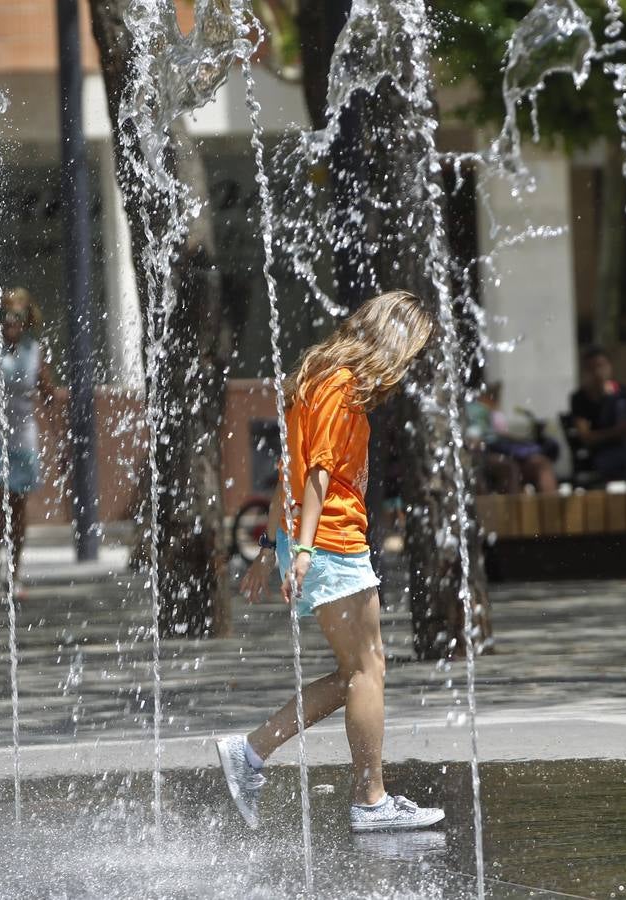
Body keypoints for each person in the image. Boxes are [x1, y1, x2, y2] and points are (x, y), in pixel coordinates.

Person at [221, 290, 445, 834]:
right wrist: (298, 551)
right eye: (410, 352)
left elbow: (288, 475)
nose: (408, 366)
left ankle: (249, 753)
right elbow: (318, 473)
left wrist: (275, 548)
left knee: (355, 673)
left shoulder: (317, 377)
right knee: (371, 669)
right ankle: (371, 801)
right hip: (334, 542)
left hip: (316, 541)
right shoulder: (343, 386)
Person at [0, 287, 57, 596]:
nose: (12, 322)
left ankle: (13, 572)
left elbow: (49, 397)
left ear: (27, 320)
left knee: (18, 507)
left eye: (18, 316)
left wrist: (60, 439)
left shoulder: (34, 351)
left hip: (23, 438)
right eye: (7, 315)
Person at [568, 346, 626, 482]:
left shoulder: (622, 391)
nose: (598, 372)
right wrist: (616, 432)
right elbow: (586, 437)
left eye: (601, 366)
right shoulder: (580, 399)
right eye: (592, 368)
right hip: (603, 454)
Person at [466, 382, 559, 494]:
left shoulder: (491, 412)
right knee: (510, 468)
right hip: (490, 453)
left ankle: (551, 506)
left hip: (506, 451)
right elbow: (475, 436)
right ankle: (513, 507)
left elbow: (500, 433)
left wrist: (521, 440)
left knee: (541, 464)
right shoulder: (474, 409)